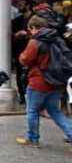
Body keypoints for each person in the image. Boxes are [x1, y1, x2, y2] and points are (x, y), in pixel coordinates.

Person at [15, 16, 72, 147]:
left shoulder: (35, 42)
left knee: (32, 110)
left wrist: (21, 55)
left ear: (34, 27)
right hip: (56, 82)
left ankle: (32, 138)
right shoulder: (57, 38)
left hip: (39, 81)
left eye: (30, 29)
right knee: (54, 111)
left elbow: (24, 59)